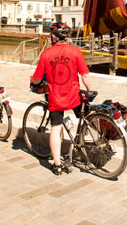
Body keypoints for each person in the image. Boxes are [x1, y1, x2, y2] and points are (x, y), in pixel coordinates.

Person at [30, 22, 92, 176]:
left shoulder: (46, 54)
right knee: (87, 117)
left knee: (55, 129)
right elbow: (85, 76)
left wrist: (33, 81)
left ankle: (57, 165)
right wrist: (91, 91)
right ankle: (90, 141)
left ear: (53, 37)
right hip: (74, 97)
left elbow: (37, 79)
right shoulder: (76, 52)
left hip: (56, 97)